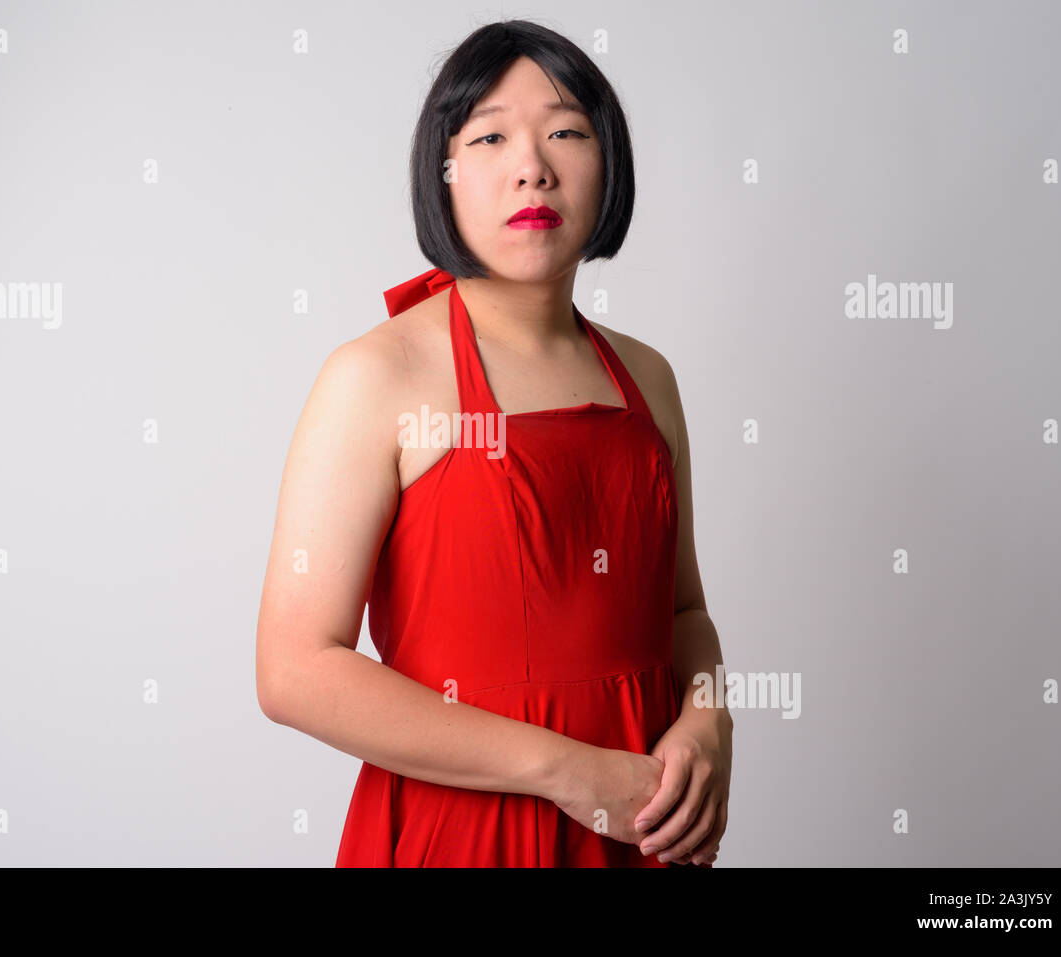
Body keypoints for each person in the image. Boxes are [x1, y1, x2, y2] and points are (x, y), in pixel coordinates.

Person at [256, 19, 731, 867]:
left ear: (608, 163)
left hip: (638, 825)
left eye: (566, 131)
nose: (533, 165)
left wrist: (706, 720)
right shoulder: (377, 375)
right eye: (489, 136)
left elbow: (683, 615)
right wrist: (565, 770)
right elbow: (294, 668)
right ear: (441, 176)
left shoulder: (647, 379)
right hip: (464, 835)